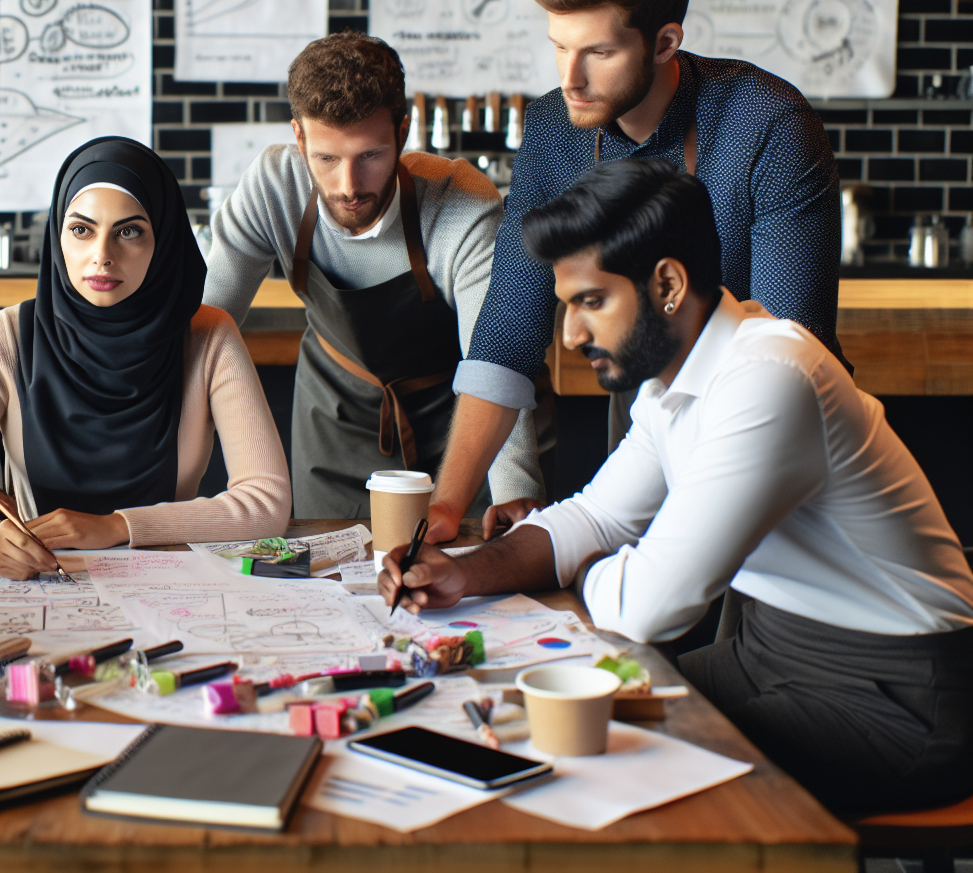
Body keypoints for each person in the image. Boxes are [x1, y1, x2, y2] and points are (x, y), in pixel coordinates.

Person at [380, 158, 973, 815]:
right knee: (528, 713)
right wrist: (466, 572)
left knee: (592, 769)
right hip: (766, 656)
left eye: (591, 302)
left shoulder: (770, 377)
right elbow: (595, 519)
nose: (571, 335)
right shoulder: (674, 384)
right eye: (566, 306)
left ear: (666, 283)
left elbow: (646, 609)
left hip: (895, 699)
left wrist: (588, 570)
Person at [429, 0, 842, 543]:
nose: (571, 78)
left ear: (665, 41)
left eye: (597, 53)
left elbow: (787, 348)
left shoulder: (767, 124)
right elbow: (508, 335)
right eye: (559, 47)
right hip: (647, 419)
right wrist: (444, 510)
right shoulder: (553, 130)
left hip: (775, 432)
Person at [0, 137, 290, 579]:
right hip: (41, 582)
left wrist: (115, 526)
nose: (102, 257)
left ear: (163, 240)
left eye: (129, 232)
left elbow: (267, 501)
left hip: (170, 585)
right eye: (81, 230)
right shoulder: (8, 336)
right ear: (58, 235)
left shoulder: (209, 337)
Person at [203, 30, 541, 519]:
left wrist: (513, 501)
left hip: (463, 420)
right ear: (298, 136)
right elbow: (207, 331)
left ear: (401, 133)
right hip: (333, 416)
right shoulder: (273, 187)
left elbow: (497, 366)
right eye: (327, 158)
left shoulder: (459, 203)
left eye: (371, 156)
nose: (349, 186)